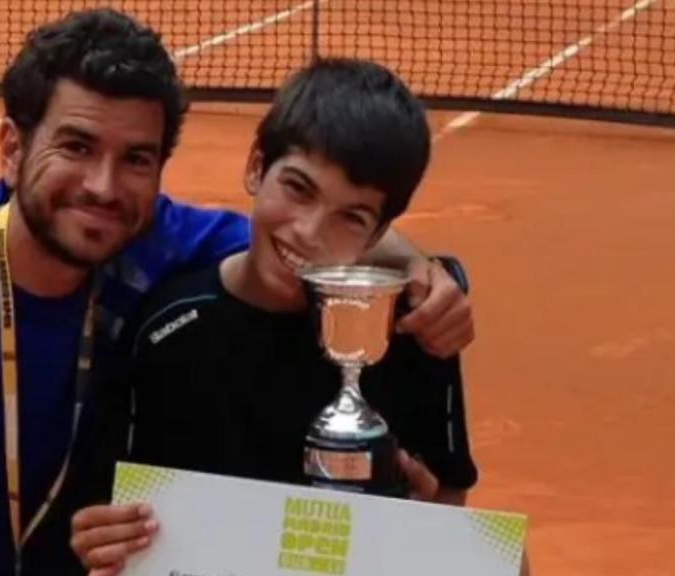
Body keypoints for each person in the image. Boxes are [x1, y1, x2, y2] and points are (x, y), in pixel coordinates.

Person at [0, 9, 474, 576]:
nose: (103, 187)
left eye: (136, 159)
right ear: (13, 149)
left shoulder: (156, 237)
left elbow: (303, 234)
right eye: (77, 147)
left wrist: (417, 268)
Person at [69, 58, 484, 576]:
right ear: (255, 167)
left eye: (351, 217)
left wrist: (423, 528)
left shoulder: (411, 334)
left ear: (379, 235)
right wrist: (100, 540)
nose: (309, 231)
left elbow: (450, 501)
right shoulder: (166, 332)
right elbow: (103, 510)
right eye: (298, 188)